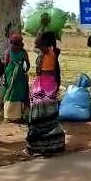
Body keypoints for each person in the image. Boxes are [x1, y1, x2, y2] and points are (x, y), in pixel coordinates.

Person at [26, 18, 65, 156]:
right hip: (47, 83)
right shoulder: (48, 52)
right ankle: (50, 144)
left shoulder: (48, 51)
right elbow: (35, 46)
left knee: (40, 114)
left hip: (45, 84)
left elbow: (36, 43)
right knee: (47, 114)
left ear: (45, 42)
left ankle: (40, 145)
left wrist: (42, 26)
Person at [3, 34, 30, 123]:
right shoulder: (8, 52)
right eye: (12, 43)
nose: (14, 45)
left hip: (20, 78)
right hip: (10, 77)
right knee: (11, 94)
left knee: (20, 94)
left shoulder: (23, 52)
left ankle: (19, 116)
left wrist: (21, 69)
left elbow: (28, 65)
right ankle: (9, 116)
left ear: (20, 44)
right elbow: (5, 64)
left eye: (16, 43)